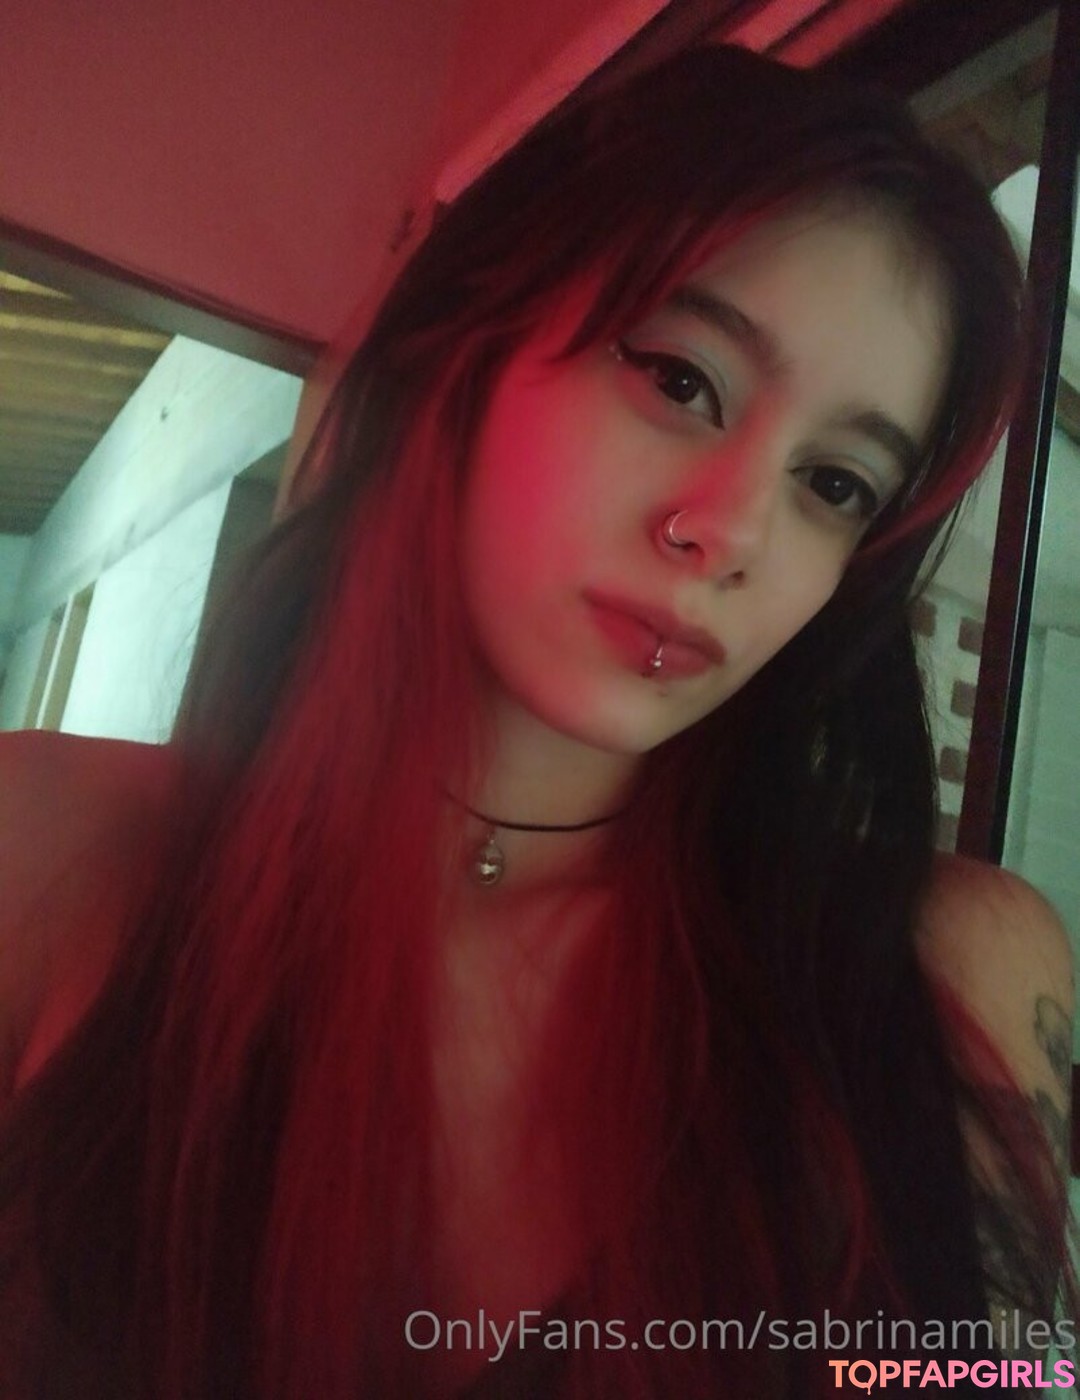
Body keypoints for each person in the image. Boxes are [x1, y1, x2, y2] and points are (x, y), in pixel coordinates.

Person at [0, 41, 1074, 1400]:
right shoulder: (49, 847)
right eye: (681, 380)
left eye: (836, 483)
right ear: (468, 343)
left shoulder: (940, 975)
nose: (733, 531)